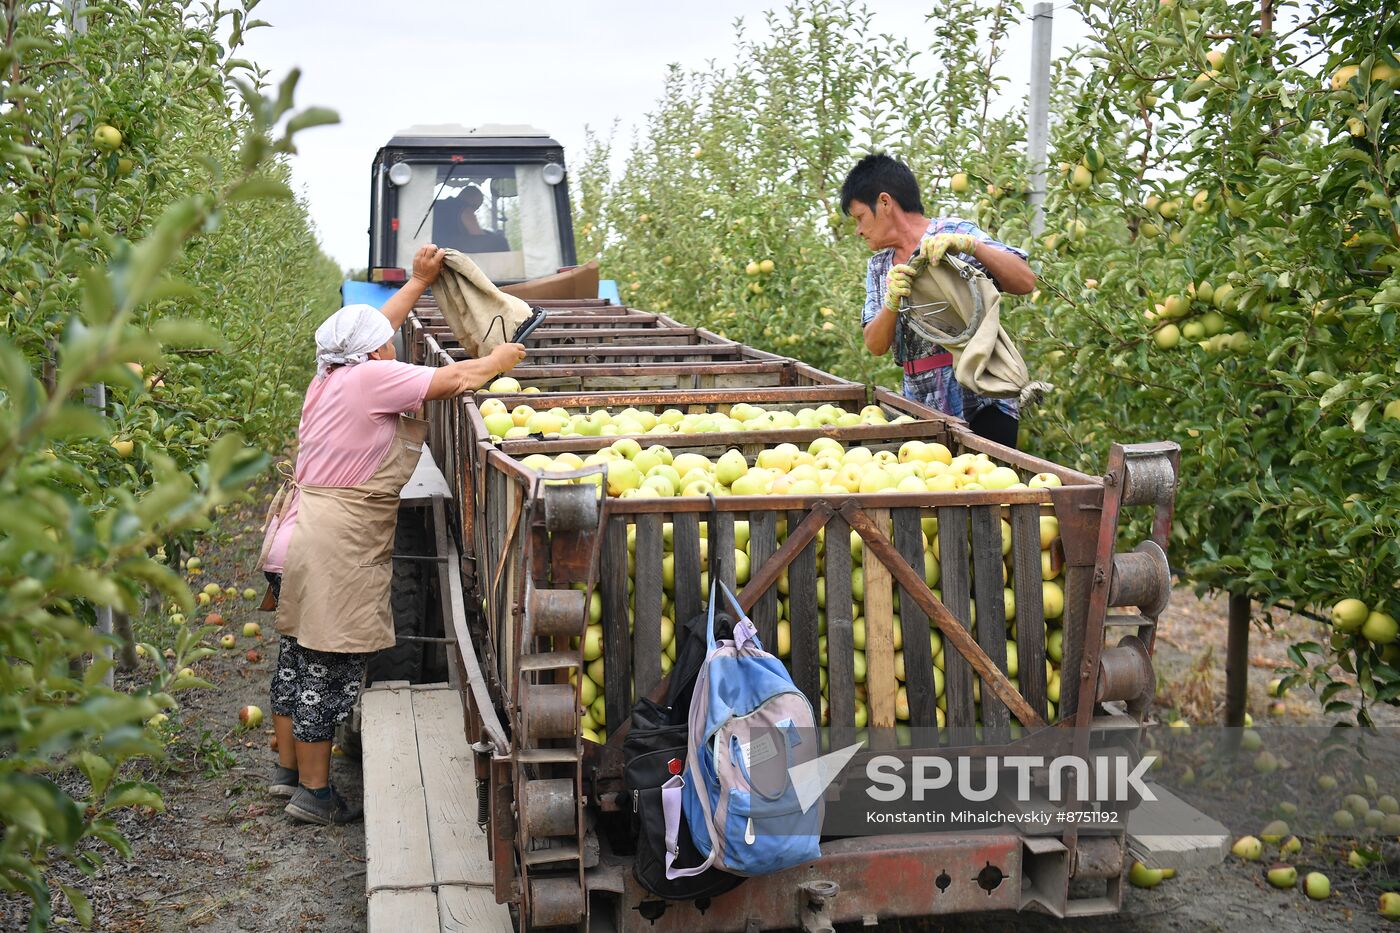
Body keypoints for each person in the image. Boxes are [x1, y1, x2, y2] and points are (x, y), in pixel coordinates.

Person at [256, 244, 526, 825]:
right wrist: (503, 355)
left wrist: (419, 282)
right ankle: (315, 795)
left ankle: (286, 769)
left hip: (295, 534)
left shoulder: (328, 375)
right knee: (327, 669)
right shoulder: (375, 379)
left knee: (296, 658)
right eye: (386, 338)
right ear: (375, 351)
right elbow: (459, 377)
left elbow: (377, 328)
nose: (392, 340)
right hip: (333, 547)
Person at [841, 154, 1036, 448]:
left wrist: (974, 247)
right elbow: (875, 344)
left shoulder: (953, 233)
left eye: (860, 218)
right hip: (922, 407)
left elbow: (1025, 280)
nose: (858, 230)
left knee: (990, 487)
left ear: (884, 202)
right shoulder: (880, 267)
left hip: (980, 397)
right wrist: (891, 303)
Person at [441, 185, 510, 253]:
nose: (473, 212)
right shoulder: (463, 208)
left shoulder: (439, 205)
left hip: (435, 252)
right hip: (449, 254)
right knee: (501, 242)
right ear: (471, 199)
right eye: (475, 207)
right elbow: (477, 236)